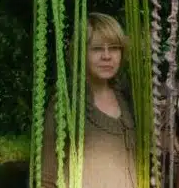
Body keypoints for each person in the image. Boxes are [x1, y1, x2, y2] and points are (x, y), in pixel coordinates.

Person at [41, 12, 136, 188]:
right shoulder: (66, 104)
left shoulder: (127, 100)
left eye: (114, 48)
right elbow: (47, 178)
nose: (106, 56)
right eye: (97, 49)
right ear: (81, 53)